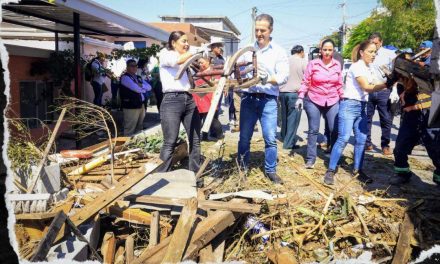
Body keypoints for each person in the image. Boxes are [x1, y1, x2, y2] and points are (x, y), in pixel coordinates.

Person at [323, 40, 395, 185]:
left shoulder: (370, 68)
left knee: (361, 140)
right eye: (370, 51)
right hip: (349, 105)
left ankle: (358, 170)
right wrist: (387, 84)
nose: (373, 55)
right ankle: (330, 170)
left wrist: (390, 78)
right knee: (343, 138)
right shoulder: (357, 67)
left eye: (375, 52)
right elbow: (367, 87)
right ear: (362, 53)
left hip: (362, 106)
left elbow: (376, 83)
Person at [237, 13, 289, 184]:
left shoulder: (279, 52)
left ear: (270, 30)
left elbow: (283, 77)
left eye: (263, 30)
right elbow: (237, 68)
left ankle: (270, 170)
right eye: (256, 30)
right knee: (244, 137)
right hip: (249, 99)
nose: (259, 33)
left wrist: (266, 78)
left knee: (270, 138)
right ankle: (242, 169)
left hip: (268, 101)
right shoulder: (247, 50)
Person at [389, 46, 439, 185]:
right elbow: (399, 92)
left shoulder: (424, 74)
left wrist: (415, 106)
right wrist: (403, 95)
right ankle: (402, 173)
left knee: (435, 148)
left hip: (429, 115)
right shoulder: (401, 79)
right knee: (400, 146)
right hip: (411, 117)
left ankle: (438, 176)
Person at [296, 39, 343, 169]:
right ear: (320, 50)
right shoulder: (313, 64)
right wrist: (300, 97)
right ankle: (311, 158)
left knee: (334, 129)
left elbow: (339, 84)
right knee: (313, 130)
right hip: (314, 99)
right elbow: (305, 82)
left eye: (330, 50)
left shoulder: (337, 65)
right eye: (325, 49)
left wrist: (343, 97)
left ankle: (333, 156)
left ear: (333, 51)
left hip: (332, 99)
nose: (327, 52)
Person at [158, 31, 201, 173]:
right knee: (170, 141)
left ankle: (195, 173)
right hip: (171, 100)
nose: (187, 44)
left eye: (187, 41)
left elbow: (196, 74)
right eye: (184, 41)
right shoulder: (165, 53)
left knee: (195, 139)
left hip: (189, 99)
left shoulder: (187, 60)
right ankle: (162, 176)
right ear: (173, 43)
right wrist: (196, 51)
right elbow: (177, 61)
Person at [365, 33, 397, 155]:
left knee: (385, 119)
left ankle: (385, 145)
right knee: (367, 118)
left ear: (381, 42)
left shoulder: (389, 55)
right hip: (369, 91)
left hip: (384, 91)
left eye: (376, 43)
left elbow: (396, 72)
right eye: (372, 43)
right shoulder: (365, 54)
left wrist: (394, 90)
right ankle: (367, 143)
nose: (374, 46)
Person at [279, 45, 307, 152]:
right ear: (301, 52)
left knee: (284, 117)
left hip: (282, 93)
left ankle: (284, 137)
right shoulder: (303, 61)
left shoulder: (285, 61)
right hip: (295, 94)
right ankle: (288, 143)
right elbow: (308, 77)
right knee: (293, 119)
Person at [193, 56, 223, 140]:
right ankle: (203, 137)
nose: (200, 64)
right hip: (198, 98)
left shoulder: (214, 72)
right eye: (199, 63)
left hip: (209, 98)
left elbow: (218, 82)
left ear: (208, 62)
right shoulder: (198, 73)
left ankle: (220, 136)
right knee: (198, 119)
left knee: (211, 120)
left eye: (202, 62)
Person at [119, 59, 151, 136]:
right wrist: (143, 89)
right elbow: (136, 89)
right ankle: (126, 145)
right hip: (130, 106)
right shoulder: (125, 77)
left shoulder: (138, 77)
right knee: (129, 128)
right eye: (132, 66)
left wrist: (142, 86)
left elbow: (149, 87)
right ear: (127, 67)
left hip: (141, 104)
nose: (134, 67)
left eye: (136, 66)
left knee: (139, 127)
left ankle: (136, 144)